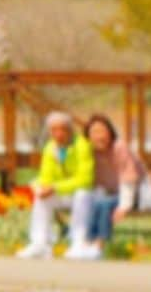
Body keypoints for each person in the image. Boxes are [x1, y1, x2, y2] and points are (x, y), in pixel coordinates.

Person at [16, 111, 94, 259]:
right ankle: (40, 244)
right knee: (41, 197)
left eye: (62, 129)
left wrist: (55, 187)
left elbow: (85, 179)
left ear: (70, 130)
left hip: (82, 194)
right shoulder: (49, 148)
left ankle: (78, 243)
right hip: (62, 192)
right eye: (54, 130)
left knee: (82, 194)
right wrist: (43, 187)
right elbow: (46, 176)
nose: (58, 134)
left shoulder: (82, 145)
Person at [69, 114, 146, 259]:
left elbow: (129, 178)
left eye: (102, 131)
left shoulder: (119, 147)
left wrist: (124, 206)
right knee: (94, 203)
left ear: (110, 133)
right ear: (88, 136)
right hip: (109, 193)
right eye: (94, 132)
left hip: (135, 193)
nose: (99, 136)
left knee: (103, 204)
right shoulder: (89, 151)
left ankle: (99, 245)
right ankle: (86, 244)